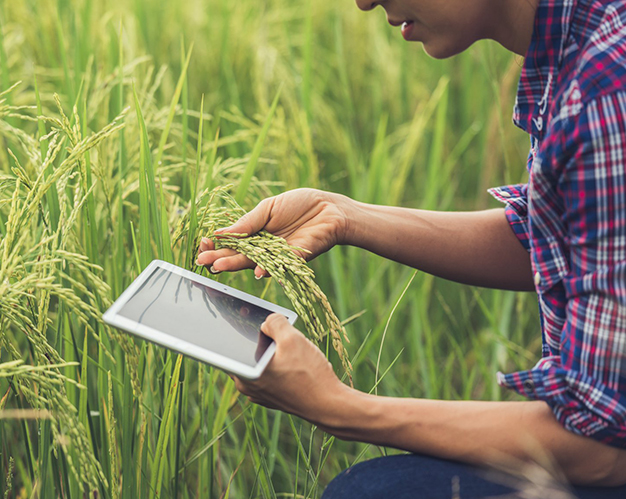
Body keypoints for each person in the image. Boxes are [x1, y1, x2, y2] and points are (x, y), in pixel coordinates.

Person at [196, 0, 626, 496]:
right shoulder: (579, 44)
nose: (363, 1)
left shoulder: (605, 91)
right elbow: (567, 240)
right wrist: (344, 215)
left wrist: (336, 406)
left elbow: (602, 447)